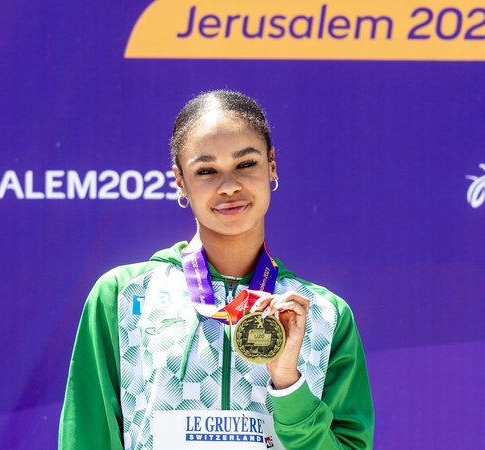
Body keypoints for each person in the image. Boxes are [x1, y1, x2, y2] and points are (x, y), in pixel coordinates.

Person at [59, 90, 374, 449]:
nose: (229, 186)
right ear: (181, 181)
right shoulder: (123, 296)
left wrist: (289, 386)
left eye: (246, 164)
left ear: (272, 165)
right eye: (206, 171)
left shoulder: (323, 314)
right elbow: (88, 437)